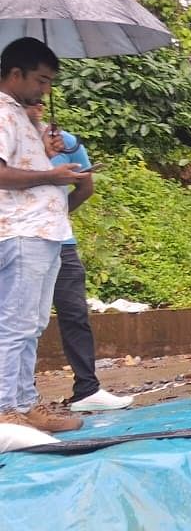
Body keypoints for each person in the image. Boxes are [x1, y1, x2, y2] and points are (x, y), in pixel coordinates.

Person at [23, 96, 133, 414]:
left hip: (61, 242)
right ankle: (20, 396)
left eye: (41, 101)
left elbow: (86, 186)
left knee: (74, 314)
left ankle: (87, 388)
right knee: (24, 321)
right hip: (19, 240)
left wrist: (58, 215)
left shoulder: (66, 141)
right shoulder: (8, 139)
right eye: (29, 100)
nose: (37, 105)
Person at [0, 37, 88, 431]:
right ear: (15, 74)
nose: (45, 90)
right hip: (22, 231)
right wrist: (51, 174)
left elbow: (20, 166)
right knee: (16, 323)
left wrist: (46, 155)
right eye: (41, 80)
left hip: (44, 231)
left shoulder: (19, 114)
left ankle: (24, 403)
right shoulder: (1, 113)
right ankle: (5, 410)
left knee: (32, 323)